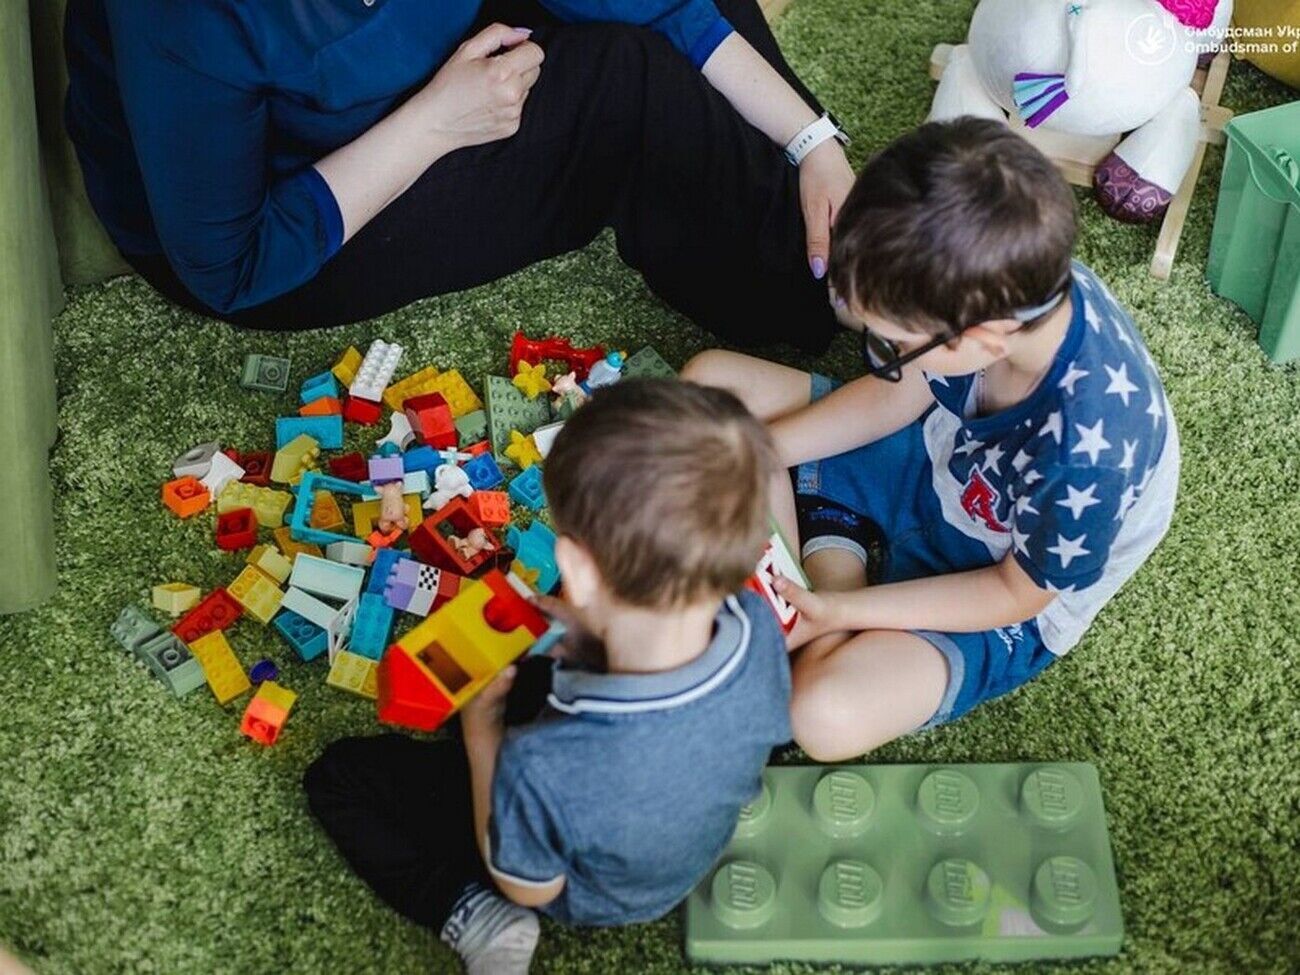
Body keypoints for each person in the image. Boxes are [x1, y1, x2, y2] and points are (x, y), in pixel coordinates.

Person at [683, 117, 1180, 760]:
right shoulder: (1004, 279)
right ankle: (828, 580)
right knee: (709, 388)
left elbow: (1012, 593)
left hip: (989, 583)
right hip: (929, 458)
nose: (880, 353)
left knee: (823, 715)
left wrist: (843, 615)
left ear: (980, 341)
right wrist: (765, 449)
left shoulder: (1091, 454)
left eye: (888, 344)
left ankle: (829, 589)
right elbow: (901, 393)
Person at [303, 379, 792, 974]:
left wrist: (485, 735)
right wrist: (578, 629)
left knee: (340, 779)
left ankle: (472, 916)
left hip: (588, 891)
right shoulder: (757, 627)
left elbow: (528, 885)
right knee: (526, 676)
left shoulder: (541, 761)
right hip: (683, 837)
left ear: (577, 570)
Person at [63, 0, 852, 350]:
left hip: (393, 77)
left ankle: (856, 229)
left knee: (660, 29)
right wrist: (437, 122)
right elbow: (229, 265)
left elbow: (665, 4)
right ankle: (846, 299)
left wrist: (813, 141)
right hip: (288, 223)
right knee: (622, 83)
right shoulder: (187, 14)